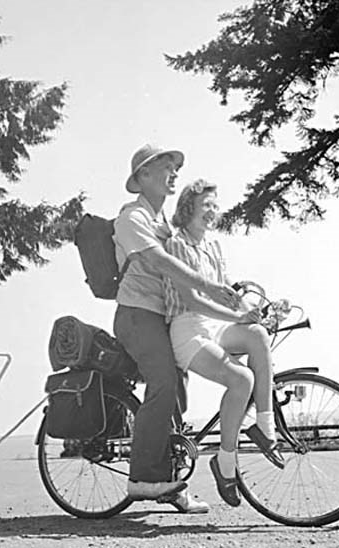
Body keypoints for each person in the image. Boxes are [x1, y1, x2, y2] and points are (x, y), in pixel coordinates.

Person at [113, 145, 241, 514]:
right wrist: (208, 285)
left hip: (161, 318)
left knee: (178, 393)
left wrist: (229, 286)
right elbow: (159, 261)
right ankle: (141, 477)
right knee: (164, 383)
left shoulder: (164, 223)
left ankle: (170, 481)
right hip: (137, 315)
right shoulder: (132, 218)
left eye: (175, 169)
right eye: (165, 167)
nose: (173, 174)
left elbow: (191, 255)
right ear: (142, 176)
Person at [162, 178, 284, 508]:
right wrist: (236, 317)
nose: (213, 212)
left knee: (258, 336)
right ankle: (224, 463)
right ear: (188, 207)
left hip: (217, 324)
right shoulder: (177, 245)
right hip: (189, 329)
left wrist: (253, 314)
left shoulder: (214, 246)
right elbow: (194, 300)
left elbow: (228, 295)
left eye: (216, 206)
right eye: (206, 206)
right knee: (241, 379)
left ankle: (264, 427)